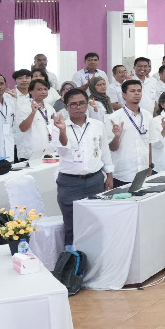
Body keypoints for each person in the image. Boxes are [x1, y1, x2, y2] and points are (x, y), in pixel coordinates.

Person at [53, 87, 118, 245]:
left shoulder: (97, 125)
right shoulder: (59, 126)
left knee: (96, 223)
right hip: (69, 183)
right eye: (73, 104)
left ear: (87, 104)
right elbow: (62, 150)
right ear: (66, 107)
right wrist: (62, 131)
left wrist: (109, 175)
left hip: (95, 180)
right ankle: (72, 258)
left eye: (82, 103)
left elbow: (104, 151)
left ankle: (95, 256)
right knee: (72, 226)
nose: (78, 107)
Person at [109, 78, 151, 181]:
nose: (137, 93)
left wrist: (150, 166)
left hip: (143, 171)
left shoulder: (147, 116)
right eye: (132, 91)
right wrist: (116, 137)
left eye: (139, 91)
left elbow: (150, 143)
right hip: (123, 173)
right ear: (124, 95)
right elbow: (111, 148)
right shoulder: (114, 118)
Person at [17, 76, 56, 160]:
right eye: (39, 89)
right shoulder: (24, 107)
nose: (43, 92)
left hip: (48, 151)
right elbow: (22, 128)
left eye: (45, 89)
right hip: (30, 153)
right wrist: (33, 113)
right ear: (30, 91)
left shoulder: (50, 108)